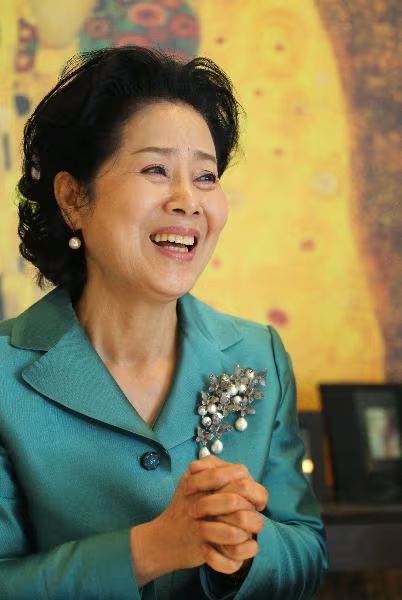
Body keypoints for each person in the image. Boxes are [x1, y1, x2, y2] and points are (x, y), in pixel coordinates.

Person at [0, 46, 327, 599]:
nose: (188, 201)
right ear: (74, 198)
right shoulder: (5, 373)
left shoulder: (259, 355)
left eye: (206, 176)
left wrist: (241, 547)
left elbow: (307, 551)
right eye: (156, 169)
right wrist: (149, 550)